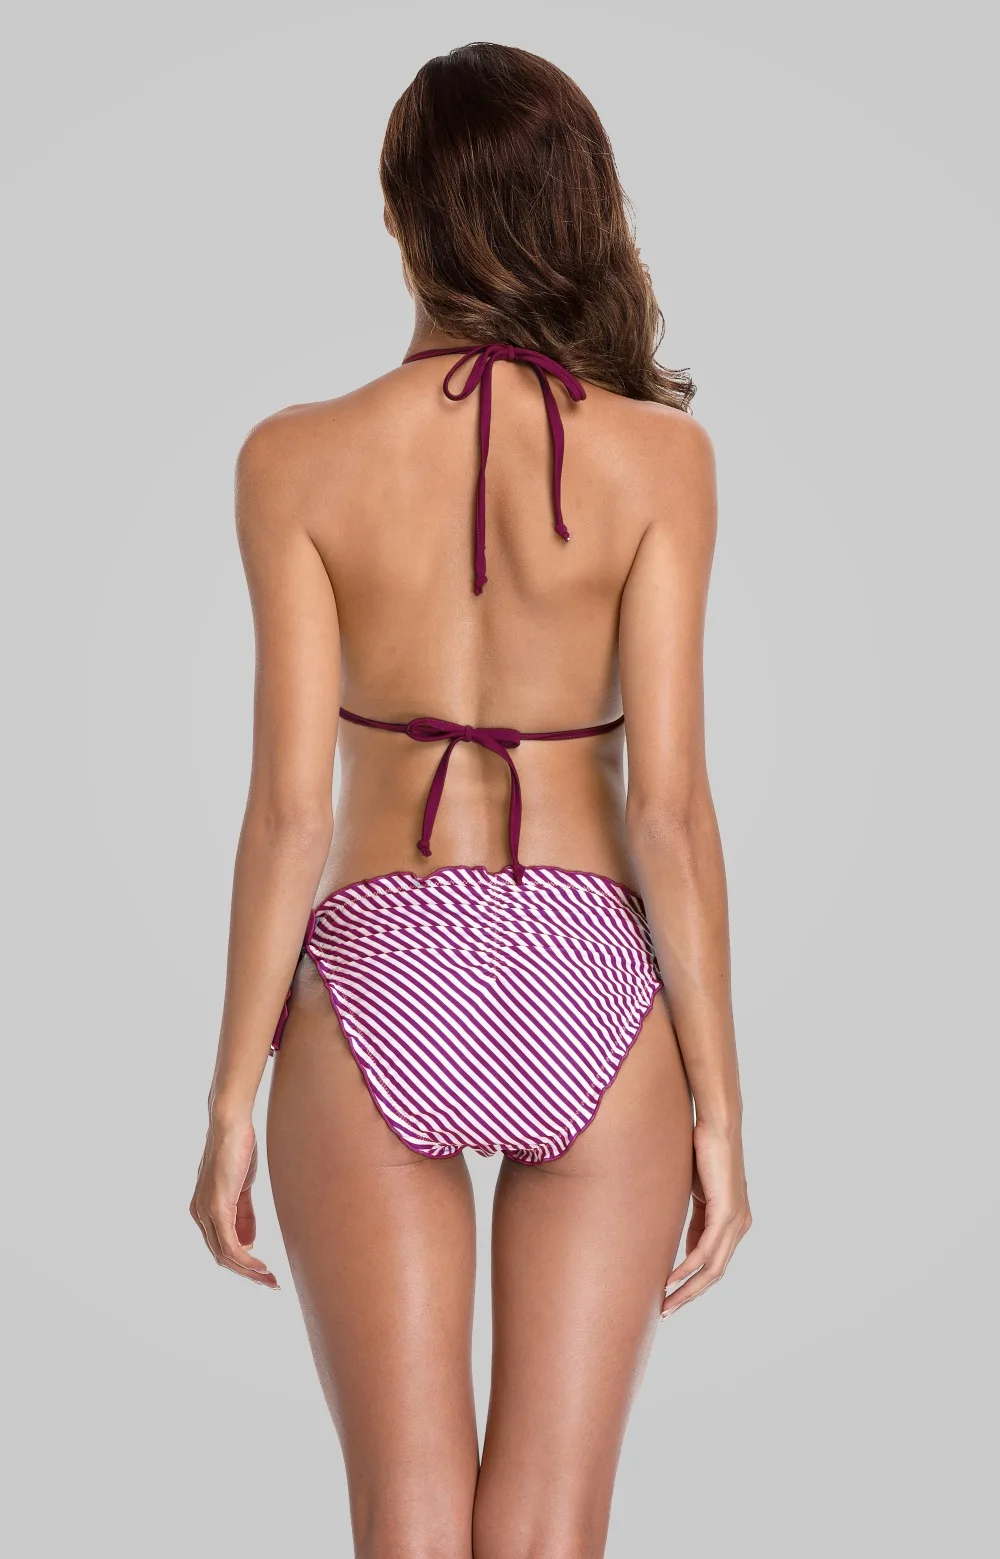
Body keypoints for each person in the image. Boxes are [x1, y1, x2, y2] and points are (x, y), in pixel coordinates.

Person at [191, 41, 750, 1559]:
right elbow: (671, 816)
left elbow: (289, 817)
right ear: (581, 210)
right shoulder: (664, 462)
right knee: (551, 1527)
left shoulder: (292, 460)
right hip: (596, 976)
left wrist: (231, 1099)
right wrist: (723, 1110)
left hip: (377, 964)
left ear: (400, 216)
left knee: (408, 1519)